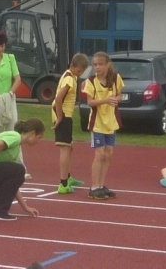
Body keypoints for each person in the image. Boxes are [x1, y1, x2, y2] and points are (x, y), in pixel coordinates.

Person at [82, 51, 123, 200]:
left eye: (100, 64)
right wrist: (105, 100)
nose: (97, 67)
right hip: (97, 123)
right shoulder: (91, 81)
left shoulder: (115, 78)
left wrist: (116, 99)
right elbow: (90, 102)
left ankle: (101, 185)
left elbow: (119, 95)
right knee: (99, 154)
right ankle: (94, 187)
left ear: (107, 65)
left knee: (108, 153)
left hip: (110, 122)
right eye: (95, 65)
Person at [51, 52, 88, 194]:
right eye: (79, 71)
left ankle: (68, 176)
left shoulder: (71, 75)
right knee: (65, 148)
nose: (80, 74)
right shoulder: (69, 79)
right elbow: (59, 99)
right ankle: (63, 183)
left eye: (83, 71)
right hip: (63, 114)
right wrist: (60, 117)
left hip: (66, 114)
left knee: (69, 146)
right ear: (72, 66)